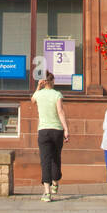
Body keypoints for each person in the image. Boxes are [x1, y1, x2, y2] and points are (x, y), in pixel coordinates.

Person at [31, 71, 69, 201]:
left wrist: (38, 87)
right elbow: (60, 111)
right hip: (57, 130)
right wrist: (66, 129)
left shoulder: (39, 94)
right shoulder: (57, 94)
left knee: (45, 160)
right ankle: (55, 181)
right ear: (53, 81)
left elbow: (32, 101)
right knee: (56, 157)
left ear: (43, 82)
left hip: (43, 130)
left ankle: (47, 193)